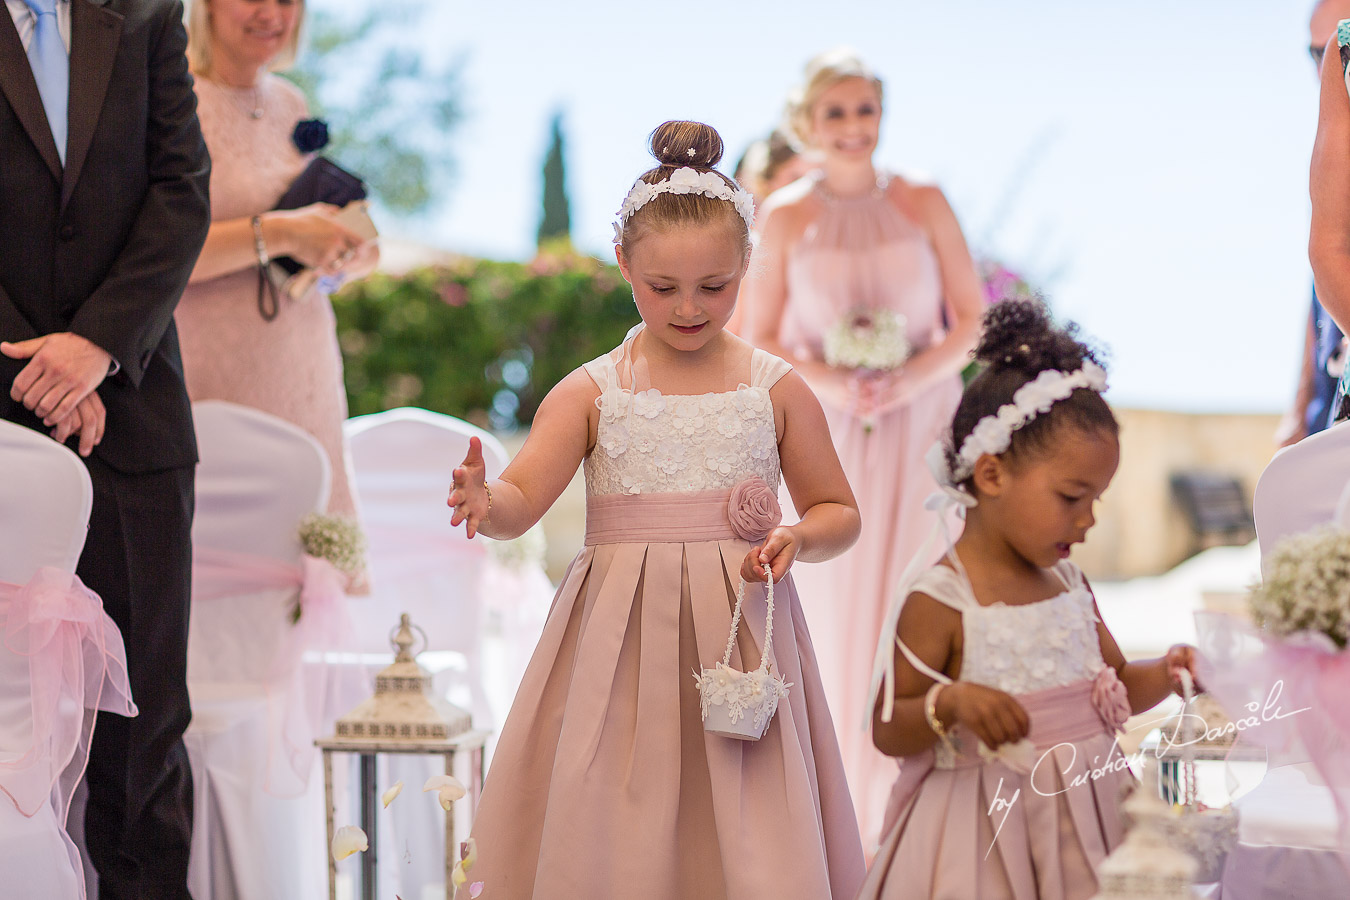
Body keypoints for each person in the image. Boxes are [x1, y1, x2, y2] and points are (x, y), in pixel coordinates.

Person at [445, 121, 867, 898]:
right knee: (615, 809)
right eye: (662, 288)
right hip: (619, 639)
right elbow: (521, 501)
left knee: (740, 814)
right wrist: (485, 501)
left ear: (746, 267)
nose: (688, 308)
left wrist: (800, 536)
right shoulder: (591, 389)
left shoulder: (776, 388)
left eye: (715, 287)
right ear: (624, 267)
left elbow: (840, 509)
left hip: (740, 638)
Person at [859, 301, 1202, 899]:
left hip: (1091, 819)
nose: (1089, 519)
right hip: (984, 831)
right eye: (1072, 497)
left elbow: (1115, 681)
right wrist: (953, 702)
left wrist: (1169, 674)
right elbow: (888, 726)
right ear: (991, 475)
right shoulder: (943, 596)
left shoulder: (1070, 585)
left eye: (1096, 499)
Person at [739, 48, 984, 843]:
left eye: (864, 110)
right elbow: (759, 335)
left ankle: (921, 809)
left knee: (920, 589)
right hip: (827, 427)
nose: (853, 128)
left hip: (922, 425)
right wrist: (837, 383)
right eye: (835, 113)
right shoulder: (784, 214)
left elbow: (971, 319)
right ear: (808, 123)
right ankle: (835, 814)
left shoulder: (923, 199)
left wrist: (910, 378)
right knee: (835, 603)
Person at [0, 0, 211, 895]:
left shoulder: (148, 14)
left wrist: (98, 349)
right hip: (1, 417)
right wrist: (41, 375)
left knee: (145, 733)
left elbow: (180, 187)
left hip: (135, 412)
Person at [176, 0, 376, 526]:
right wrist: (285, 232)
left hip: (303, 361)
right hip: (212, 369)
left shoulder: (291, 102)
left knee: (309, 557)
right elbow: (163, 254)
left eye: (288, 0)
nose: (271, 13)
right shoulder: (175, 101)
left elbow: (319, 236)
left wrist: (347, 251)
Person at [1281, 0, 1350, 444]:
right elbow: (1325, 258)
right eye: (1315, 51)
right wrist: (1298, 406)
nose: (1322, 57)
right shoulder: (1343, 64)